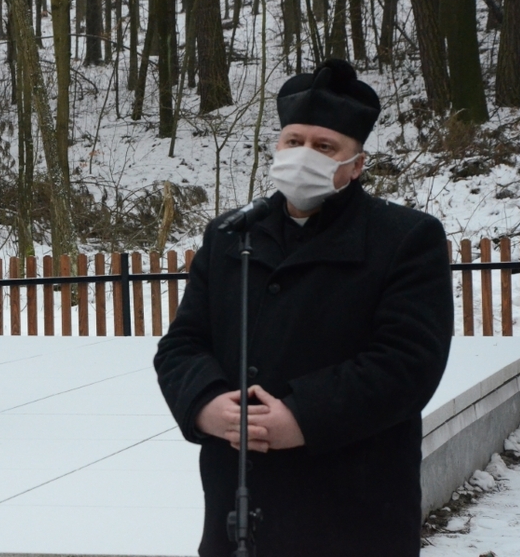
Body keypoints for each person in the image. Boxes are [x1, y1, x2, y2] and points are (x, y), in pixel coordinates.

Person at [153, 59, 453, 557]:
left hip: (353, 509)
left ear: (355, 164)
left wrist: (302, 415)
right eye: (293, 141)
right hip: (237, 505)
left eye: (324, 146)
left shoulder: (406, 239)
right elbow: (182, 344)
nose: (303, 155)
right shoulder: (230, 235)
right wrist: (204, 404)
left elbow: (408, 363)